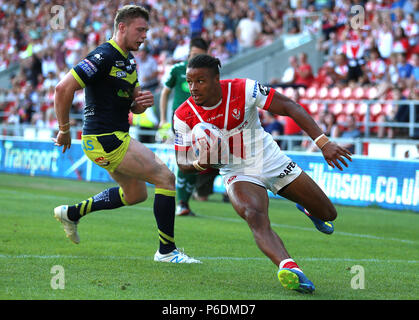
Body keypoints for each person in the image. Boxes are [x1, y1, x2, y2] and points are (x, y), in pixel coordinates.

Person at [174, 54, 352, 293]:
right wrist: (200, 163)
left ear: (217, 79)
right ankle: (289, 267)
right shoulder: (183, 115)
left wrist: (323, 142)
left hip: (269, 159)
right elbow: (181, 161)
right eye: (190, 81)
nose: (193, 88)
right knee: (253, 214)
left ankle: (309, 208)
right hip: (236, 170)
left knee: (329, 213)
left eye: (201, 81)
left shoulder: (244, 88)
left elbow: (290, 106)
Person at [52, 5, 199, 264]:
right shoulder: (103, 56)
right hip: (105, 138)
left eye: (147, 30)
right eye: (140, 30)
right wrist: (64, 130)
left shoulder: (128, 59)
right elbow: (62, 89)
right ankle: (166, 251)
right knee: (165, 177)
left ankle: (71, 213)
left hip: (112, 138)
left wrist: (138, 104)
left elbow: (131, 102)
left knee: (135, 195)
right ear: (122, 27)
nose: (145, 36)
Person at [159, 37, 209, 216]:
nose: (195, 58)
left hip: (201, 122)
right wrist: (163, 119)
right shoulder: (177, 69)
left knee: (196, 163)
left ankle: (184, 202)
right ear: (189, 53)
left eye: (199, 55)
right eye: (193, 54)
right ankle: (181, 202)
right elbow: (165, 93)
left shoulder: (209, 74)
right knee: (186, 158)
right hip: (181, 121)